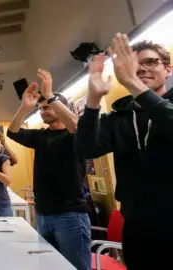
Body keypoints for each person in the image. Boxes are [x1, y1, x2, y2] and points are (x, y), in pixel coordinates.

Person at [75, 35, 173, 269]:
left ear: (168, 69)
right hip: (137, 229)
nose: (141, 69)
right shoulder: (120, 116)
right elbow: (86, 148)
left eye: (150, 62)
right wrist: (94, 100)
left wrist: (132, 83)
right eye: (134, 64)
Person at [7, 69, 91, 270]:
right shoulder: (41, 136)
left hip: (70, 216)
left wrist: (51, 95)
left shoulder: (74, 135)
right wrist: (24, 107)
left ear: (63, 107)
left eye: (49, 107)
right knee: (49, 266)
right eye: (41, 108)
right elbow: (12, 132)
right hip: (43, 214)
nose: (44, 110)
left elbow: (78, 128)